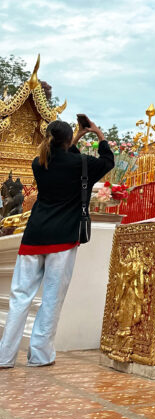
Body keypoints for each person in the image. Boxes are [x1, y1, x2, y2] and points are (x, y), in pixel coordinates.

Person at [0, 117, 114, 368]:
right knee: (51, 298)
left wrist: (75, 138)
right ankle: (40, 356)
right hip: (62, 239)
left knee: (19, 297)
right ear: (66, 141)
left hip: (34, 236)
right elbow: (107, 161)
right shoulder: (80, 164)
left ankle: (4, 356)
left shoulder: (38, 163)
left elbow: (59, 156)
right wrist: (98, 135)